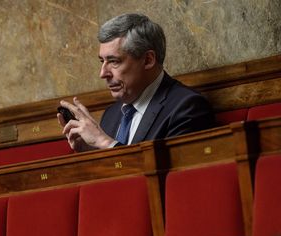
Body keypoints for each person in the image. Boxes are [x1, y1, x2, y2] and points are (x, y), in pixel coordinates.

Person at [57, 13, 215, 152]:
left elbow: (172, 178)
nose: (103, 73)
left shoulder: (187, 107)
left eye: (114, 61)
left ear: (148, 60)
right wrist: (91, 150)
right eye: (102, 61)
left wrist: (104, 142)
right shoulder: (111, 115)